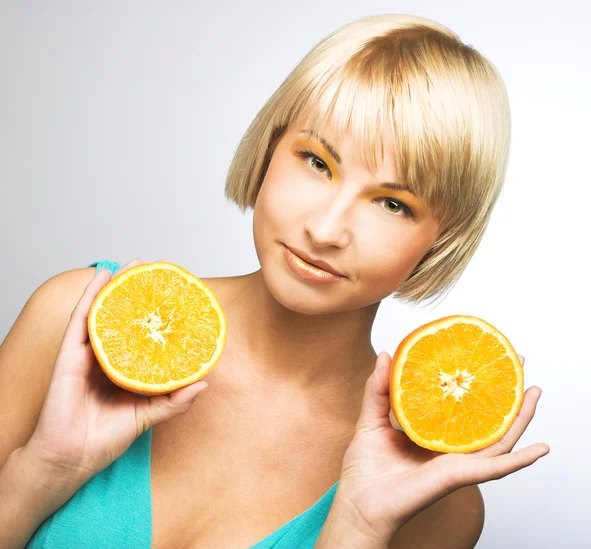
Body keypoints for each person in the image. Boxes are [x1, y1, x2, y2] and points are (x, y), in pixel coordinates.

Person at [0, 13, 549, 549]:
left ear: (442, 237)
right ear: (270, 147)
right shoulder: (81, 320)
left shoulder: (436, 500)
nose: (326, 229)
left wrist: (355, 531)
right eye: (317, 162)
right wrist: (44, 472)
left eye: (391, 203)